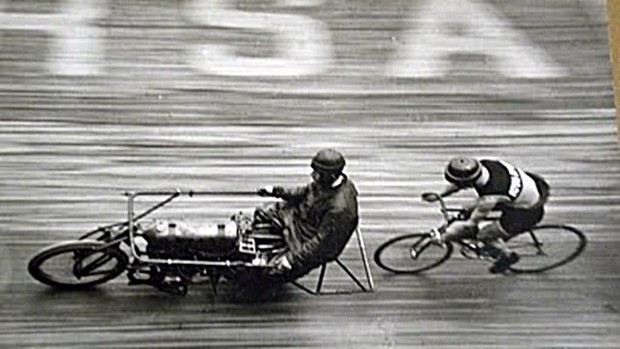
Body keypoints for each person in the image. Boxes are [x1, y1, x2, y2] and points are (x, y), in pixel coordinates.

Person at [423, 156, 550, 273]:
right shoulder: (486, 165)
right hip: (526, 193)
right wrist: (440, 195)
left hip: (526, 213)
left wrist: (445, 237)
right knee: (468, 209)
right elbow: (459, 184)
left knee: (483, 234)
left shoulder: (489, 198)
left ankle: (509, 256)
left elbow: (470, 224)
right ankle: (495, 242)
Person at [253, 148, 360, 282]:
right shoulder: (326, 182)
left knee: (269, 270)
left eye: (317, 173)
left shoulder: (339, 209)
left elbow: (320, 244)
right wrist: (276, 191)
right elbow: (305, 191)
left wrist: (291, 259)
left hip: (305, 239)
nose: (313, 175)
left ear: (331, 176)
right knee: (261, 214)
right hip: (298, 219)